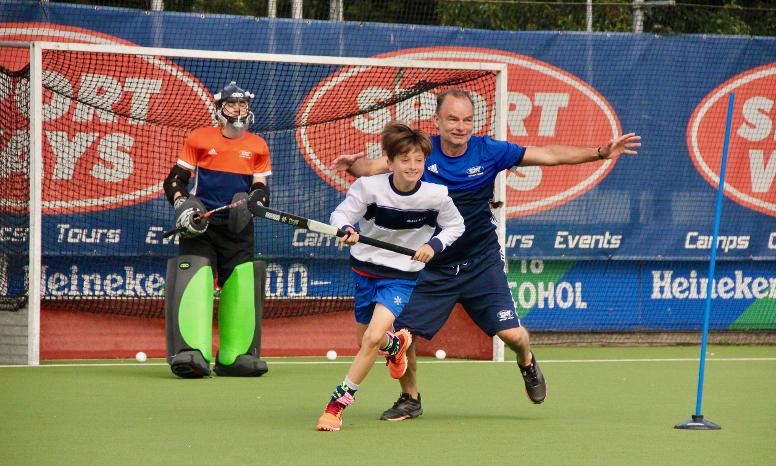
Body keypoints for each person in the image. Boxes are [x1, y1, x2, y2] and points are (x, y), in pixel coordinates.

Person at [332, 89, 641, 420]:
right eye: (452, 119)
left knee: (512, 335)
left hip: (481, 262)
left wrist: (598, 153)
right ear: (437, 121)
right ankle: (410, 398)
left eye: (467, 120)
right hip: (430, 263)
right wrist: (354, 166)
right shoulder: (421, 153)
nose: (460, 126)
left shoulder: (490, 151)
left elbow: (547, 154)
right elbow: (376, 166)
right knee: (403, 335)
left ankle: (527, 361)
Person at [316, 121, 465, 432]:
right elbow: (341, 215)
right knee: (366, 341)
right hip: (364, 271)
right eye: (405, 159)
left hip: (401, 276)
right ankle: (395, 347)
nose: (412, 167)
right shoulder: (369, 188)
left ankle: (336, 406)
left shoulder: (436, 195)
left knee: (371, 339)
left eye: (419, 160)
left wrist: (433, 244)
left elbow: (455, 226)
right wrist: (346, 229)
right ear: (390, 160)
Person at [162, 81, 271, 378]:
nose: (238, 109)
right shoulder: (199, 138)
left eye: (243, 104)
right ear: (220, 108)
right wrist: (182, 205)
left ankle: (235, 356)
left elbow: (261, 189)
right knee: (196, 278)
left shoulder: (258, 145)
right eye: (232, 104)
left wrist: (252, 202)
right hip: (201, 225)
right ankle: (191, 352)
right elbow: (174, 181)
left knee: (240, 280)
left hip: (238, 225)